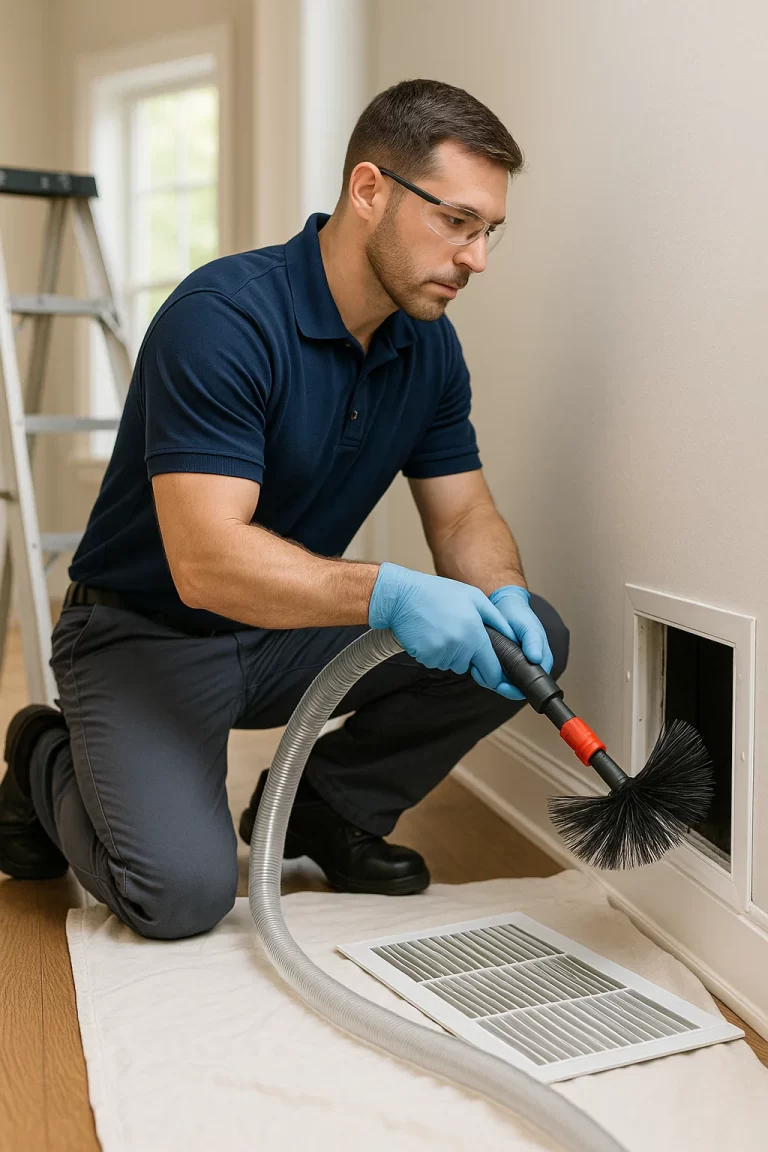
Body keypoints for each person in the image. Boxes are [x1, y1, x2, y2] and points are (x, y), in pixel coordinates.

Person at [0, 78, 569, 939]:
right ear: (369, 189)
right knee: (179, 898)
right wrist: (391, 594)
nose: (476, 258)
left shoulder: (428, 346)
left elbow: (462, 517)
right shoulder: (223, 319)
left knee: (530, 638)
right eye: (457, 221)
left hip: (284, 631)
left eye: (489, 231)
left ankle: (326, 810)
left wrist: (504, 591)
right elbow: (207, 563)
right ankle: (43, 751)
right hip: (145, 635)